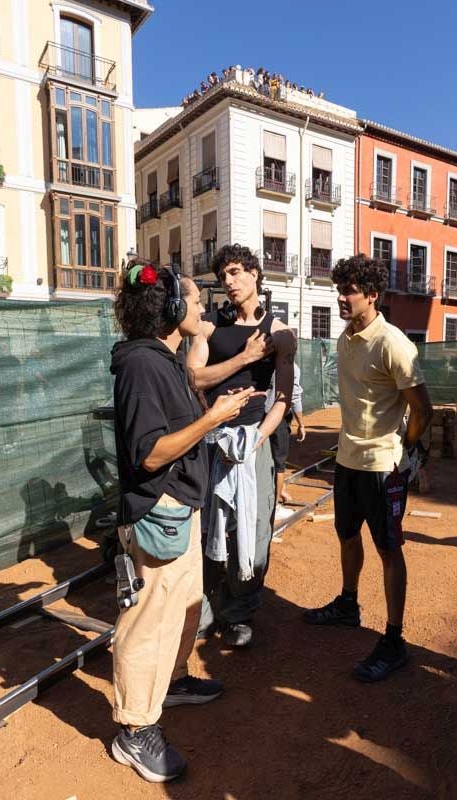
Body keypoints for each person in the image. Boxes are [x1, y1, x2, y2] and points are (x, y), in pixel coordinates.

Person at [108, 261, 262, 783]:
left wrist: (212, 411)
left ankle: (170, 683)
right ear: (173, 309)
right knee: (147, 624)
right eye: (194, 300)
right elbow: (149, 454)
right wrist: (213, 419)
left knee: (186, 608)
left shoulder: (166, 359)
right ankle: (134, 729)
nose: (202, 308)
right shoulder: (141, 365)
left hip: (181, 511)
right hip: (158, 513)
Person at [302, 254, 431, 682]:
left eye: (349, 291)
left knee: (389, 549)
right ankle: (348, 604)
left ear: (371, 295)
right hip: (347, 460)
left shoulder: (393, 342)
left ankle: (394, 639)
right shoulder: (346, 337)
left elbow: (422, 410)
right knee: (346, 534)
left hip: (382, 465)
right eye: (338, 290)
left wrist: (404, 451)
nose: (341, 298)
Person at [187, 244, 295, 648]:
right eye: (223, 278)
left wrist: (257, 439)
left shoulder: (280, 333)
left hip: (254, 442)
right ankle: (207, 608)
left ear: (253, 273)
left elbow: (282, 398)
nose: (228, 283)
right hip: (211, 439)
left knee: (252, 528)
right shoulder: (210, 327)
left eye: (234, 273)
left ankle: (240, 614)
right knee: (210, 526)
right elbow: (194, 379)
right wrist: (243, 357)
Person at [268, 362, 306, 515]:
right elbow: (295, 397)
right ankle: (275, 508)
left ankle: (280, 490)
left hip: (259, 417)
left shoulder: (261, 362)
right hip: (278, 418)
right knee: (279, 464)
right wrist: (301, 424)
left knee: (266, 459)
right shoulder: (291, 367)